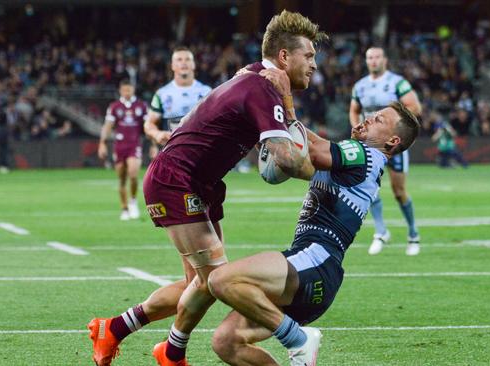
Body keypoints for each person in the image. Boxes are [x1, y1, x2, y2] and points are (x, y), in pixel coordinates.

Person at [88, 10, 326, 366]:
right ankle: (284, 338)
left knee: (199, 285)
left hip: (201, 183)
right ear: (283, 57)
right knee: (218, 279)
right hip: (175, 179)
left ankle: (117, 330)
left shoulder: (255, 76)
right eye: (308, 56)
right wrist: (329, 173)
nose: (314, 65)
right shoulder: (263, 87)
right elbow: (287, 161)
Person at [207, 100, 420, 365]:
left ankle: (297, 339)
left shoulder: (363, 152)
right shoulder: (361, 160)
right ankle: (296, 338)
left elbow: (315, 150)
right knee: (227, 342)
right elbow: (303, 161)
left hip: (315, 261)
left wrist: (276, 104)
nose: (368, 119)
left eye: (378, 120)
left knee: (220, 280)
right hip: (314, 273)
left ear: (392, 141)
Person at [349, 47, 423, 256]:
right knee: (369, 188)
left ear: (385, 59)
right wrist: (358, 128)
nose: (373, 61)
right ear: (366, 61)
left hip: (392, 145)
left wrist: (389, 120)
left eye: (377, 57)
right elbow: (354, 109)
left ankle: (413, 233)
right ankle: (381, 231)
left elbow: (415, 107)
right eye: (369, 57)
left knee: (399, 192)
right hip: (371, 144)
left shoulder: (397, 83)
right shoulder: (360, 86)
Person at [144, 47, 212, 155]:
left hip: (200, 153)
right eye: (179, 60)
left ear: (193, 64)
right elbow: (149, 124)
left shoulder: (207, 92)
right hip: (172, 154)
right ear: (172, 65)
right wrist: (157, 134)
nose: (184, 63)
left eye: (187, 59)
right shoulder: (162, 94)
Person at [98, 80, 148, 220]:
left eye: (129, 90)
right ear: (120, 91)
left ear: (133, 90)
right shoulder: (114, 107)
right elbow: (108, 126)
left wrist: (154, 145)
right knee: (121, 178)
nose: (127, 93)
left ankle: (133, 201)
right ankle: (124, 208)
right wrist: (102, 143)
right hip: (120, 146)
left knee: (133, 174)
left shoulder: (141, 106)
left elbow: (148, 125)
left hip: (134, 144)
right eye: (125, 90)